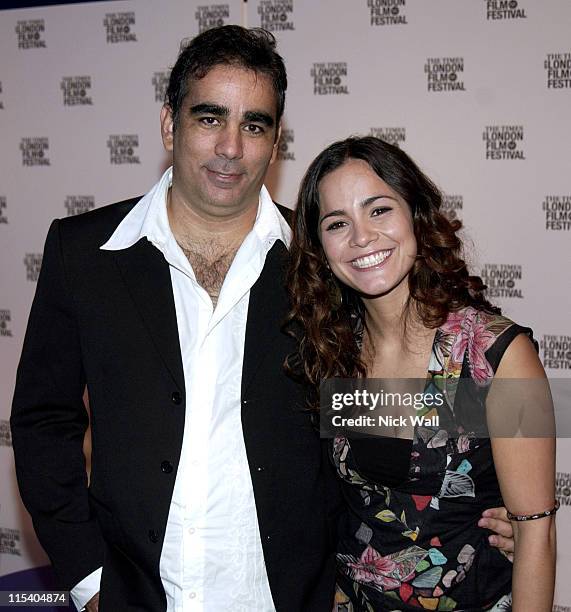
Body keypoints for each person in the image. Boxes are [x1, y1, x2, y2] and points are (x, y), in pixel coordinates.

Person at [11, 26, 515, 612]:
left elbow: (394, 392)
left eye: (254, 125)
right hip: (134, 593)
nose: (231, 146)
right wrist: (89, 579)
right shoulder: (85, 253)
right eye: (209, 119)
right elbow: (44, 422)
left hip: (289, 596)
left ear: (275, 144)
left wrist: (496, 491)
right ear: (169, 124)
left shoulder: (324, 259)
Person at [286, 136, 557, 611]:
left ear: (416, 214)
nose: (361, 237)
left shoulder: (497, 357)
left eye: (379, 210)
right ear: (320, 247)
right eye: (336, 223)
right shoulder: (333, 351)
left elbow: (536, 536)